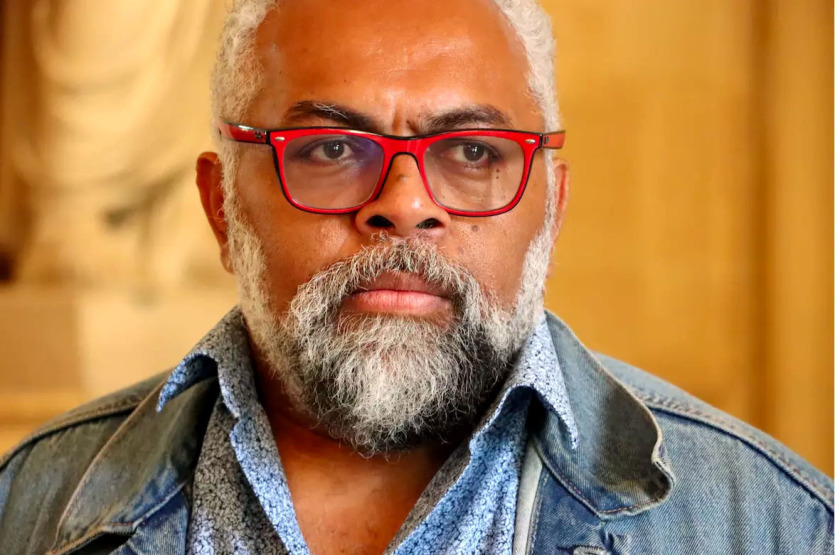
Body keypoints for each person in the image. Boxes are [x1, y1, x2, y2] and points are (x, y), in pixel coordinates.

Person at [0, 0, 832, 552]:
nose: (402, 204)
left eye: (470, 152)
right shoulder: (26, 505)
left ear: (550, 208)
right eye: (331, 149)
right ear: (221, 206)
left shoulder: (775, 525)